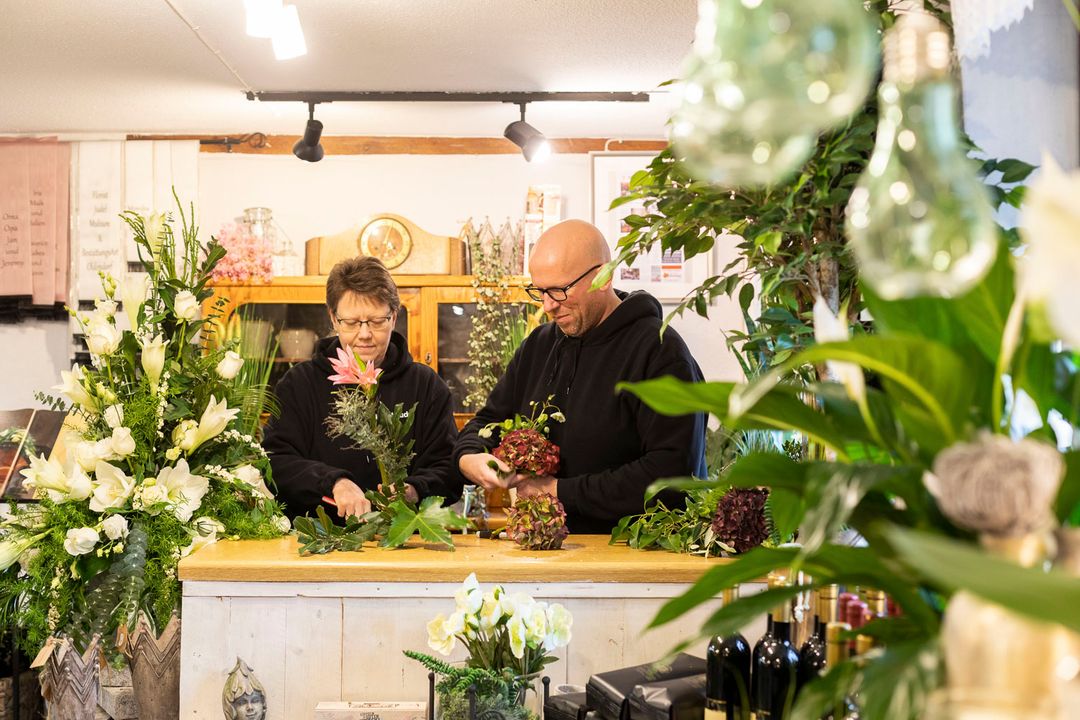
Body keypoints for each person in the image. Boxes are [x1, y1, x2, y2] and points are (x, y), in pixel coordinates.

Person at [455, 219, 707, 534]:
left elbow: (671, 476)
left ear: (604, 276)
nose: (548, 306)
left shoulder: (660, 352)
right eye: (539, 291)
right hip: (542, 550)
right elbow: (487, 421)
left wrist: (558, 491)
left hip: (633, 555)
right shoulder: (539, 345)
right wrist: (470, 458)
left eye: (559, 290)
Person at [263, 256, 460, 520]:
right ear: (333, 318)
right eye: (352, 322)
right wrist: (334, 482)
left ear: (394, 317)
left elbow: (449, 468)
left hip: (405, 543)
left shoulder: (426, 386)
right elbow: (275, 462)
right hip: (318, 543)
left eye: (377, 321)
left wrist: (413, 490)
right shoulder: (298, 384)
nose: (365, 334)